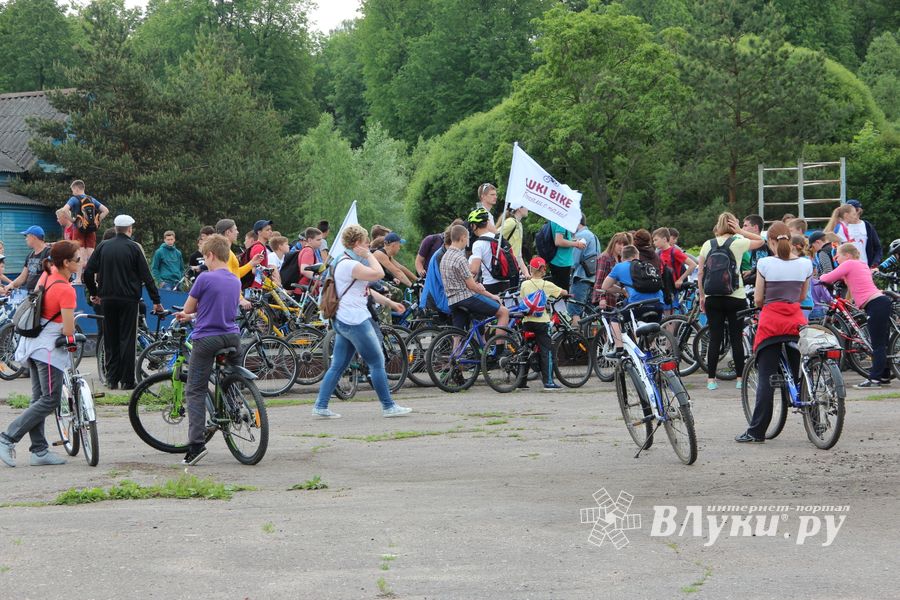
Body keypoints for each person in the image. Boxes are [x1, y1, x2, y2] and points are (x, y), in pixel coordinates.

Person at [312, 225, 411, 419]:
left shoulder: (342, 260)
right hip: (355, 320)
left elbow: (364, 289)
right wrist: (370, 255)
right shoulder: (350, 264)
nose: (368, 245)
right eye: (366, 242)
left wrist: (389, 302)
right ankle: (388, 406)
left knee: (338, 365)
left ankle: (321, 406)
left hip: (343, 320)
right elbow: (379, 274)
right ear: (357, 243)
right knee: (377, 361)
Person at [0, 241, 81, 467]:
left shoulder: (48, 273)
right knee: (50, 399)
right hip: (48, 350)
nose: (80, 263)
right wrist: (74, 335)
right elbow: (67, 330)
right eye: (77, 259)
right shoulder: (66, 289)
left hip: (32, 343)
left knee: (39, 399)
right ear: (66, 263)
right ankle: (7, 438)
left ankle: (39, 450)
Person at [735, 221, 812, 443]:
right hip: (796, 322)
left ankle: (757, 431)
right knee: (802, 374)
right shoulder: (805, 264)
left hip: (771, 324)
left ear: (770, 242)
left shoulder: (765, 263)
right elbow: (801, 296)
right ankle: (814, 415)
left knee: (767, 378)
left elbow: (759, 299)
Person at [172, 234, 242, 465]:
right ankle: (235, 407)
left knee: (195, 390)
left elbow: (189, 306)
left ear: (210, 255)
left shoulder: (204, 278)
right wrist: (193, 315)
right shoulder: (235, 280)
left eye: (205, 257)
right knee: (232, 376)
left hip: (207, 338)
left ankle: (196, 445)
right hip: (232, 335)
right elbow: (217, 307)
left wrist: (187, 314)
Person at [83, 215, 163, 390]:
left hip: (107, 299)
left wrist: (95, 293)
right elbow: (147, 277)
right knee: (128, 339)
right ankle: (127, 380)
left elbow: (87, 272)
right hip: (129, 300)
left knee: (110, 338)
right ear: (130, 229)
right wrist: (156, 301)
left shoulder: (103, 246)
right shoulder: (133, 248)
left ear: (115, 227)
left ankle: (112, 379)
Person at [697, 212, 765, 390]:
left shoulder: (707, 244)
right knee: (736, 338)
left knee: (715, 338)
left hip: (713, 297)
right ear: (732, 225)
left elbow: (701, 272)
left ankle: (711, 380)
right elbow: (761, 241)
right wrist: (741, 231)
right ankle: (740, 378)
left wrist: (702, 295)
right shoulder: (739, 242)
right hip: (735, 296)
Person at [819, 243, 893, 388]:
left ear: (847, 255)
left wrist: (819, 277)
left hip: (875, 304)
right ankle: (884, 376)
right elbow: (857, 282)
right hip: (880, 302)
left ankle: (875, 379)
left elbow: (827, 278)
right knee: (882, 343)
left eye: (838, 255)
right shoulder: (861, 264)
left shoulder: (849, 263)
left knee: (876, 344)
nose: (836, 259)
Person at [440, 224, 509, 334]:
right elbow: (471, 286)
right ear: (462, 237)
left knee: (457, 334)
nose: (468, 240)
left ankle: (458, 351)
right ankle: (500, 350)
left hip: (452, 300)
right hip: (466, 298)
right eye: (467, 238)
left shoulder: (444, 257)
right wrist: (492, 296)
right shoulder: (460, 258)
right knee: (503, 312)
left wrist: (476, 284)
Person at [599, 244, 664, 355]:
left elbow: (605, 286)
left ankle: (619, 350)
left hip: (638, 304)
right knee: (649, 332)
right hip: (658, 304)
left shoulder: (620, 267)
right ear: (636, 255)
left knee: (614, 318)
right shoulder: (647, 266)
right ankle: (650, 352)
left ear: (622, 257)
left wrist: (622, 291)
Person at [520, 256, 567, 391]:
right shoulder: (547, 285)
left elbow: (523, 298)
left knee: (526, 349)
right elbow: (562, 292)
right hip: (542, 322)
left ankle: (522, 381)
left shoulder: (524, 284)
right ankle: (548, 382)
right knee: (547, 351)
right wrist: (565, 293)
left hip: (527, 321)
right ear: (542, 269)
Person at [60, 180, 109, 277]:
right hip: (91, 229)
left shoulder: (74, 199)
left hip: (78, 229)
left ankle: (78, 279)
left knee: (80, 253)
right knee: (91, 254)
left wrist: (73, 220)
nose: (72, 192)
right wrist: (97, 221)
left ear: (76, 188)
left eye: (72, 190)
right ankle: (94, 280)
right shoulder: (91, 199)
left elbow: (64, 210)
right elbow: (106, 210)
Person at [215, 219, 262, 304]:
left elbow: (235, 273)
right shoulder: (225, 252)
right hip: (229, 298)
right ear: (228, 232)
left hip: (229, 297)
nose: (237, 232)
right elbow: (228, 278)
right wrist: (240, 298)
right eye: (235, 229)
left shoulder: (227, 251)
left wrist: (252, 263)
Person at [0, 226, 52, 297]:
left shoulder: (49, 253)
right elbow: (23, 277)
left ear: (33, 237)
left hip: (43, 295)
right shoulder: (30, 255)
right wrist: (10, 285)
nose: (26, 239)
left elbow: (50, 275)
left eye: (27, 236)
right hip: (31, 295)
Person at [468, 208, 510, 295]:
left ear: (474, 226)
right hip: (506, 282)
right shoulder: (498, 238)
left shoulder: (478, 244)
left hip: (490, 284)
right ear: (487, 223)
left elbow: (474, 270)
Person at [569, 214, 599, 325]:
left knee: (574, 310)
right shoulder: (593, 236)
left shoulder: (580, 236)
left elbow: (574, 261)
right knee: (589, 313)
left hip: (580, 277)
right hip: (592, 279)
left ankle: (576, 339)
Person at [592, 233, 631, 308]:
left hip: (616, 300)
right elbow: (599, 281)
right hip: (605, 300)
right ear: (613, 243)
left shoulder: (621, 260)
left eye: (624, 245)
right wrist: (601, 298)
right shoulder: (605, 257)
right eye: (619, 244)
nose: (622, 247)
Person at [549, 221, 587, 289]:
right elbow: (558, 241)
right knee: (563, 293)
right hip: (561, 262)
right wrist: (577, 244)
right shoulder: (562, 221)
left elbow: (562, 238)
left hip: (558, 260)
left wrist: (574, 241)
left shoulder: (556, 219)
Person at [846, 199, 882, 268]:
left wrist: (874, 264)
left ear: (859, 211)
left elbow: (878, 248)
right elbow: (835, 249)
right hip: (847, 268)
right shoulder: (842, 227)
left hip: (865, 267)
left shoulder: (867, 226)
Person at [499, 205, 530, 280]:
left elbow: (518, 254)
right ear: (519, 208)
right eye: (526, 206)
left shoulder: (519, 224)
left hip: (514, 267)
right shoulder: (511, 222)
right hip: (507, 266)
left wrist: (526, 273)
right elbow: (495, 236)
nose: (528, 208)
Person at [740, 214, 770, 283]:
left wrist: (742, 281)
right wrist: (750, 272)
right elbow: (757, 268)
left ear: (756, 227)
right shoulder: (756, 245)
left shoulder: (761, 246)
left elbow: (762, 272)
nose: (742, 229)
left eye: (745, 226)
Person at [295, 227, 325, 293]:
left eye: (321, 240)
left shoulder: (306, 249)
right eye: (318, 240)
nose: (321, 242)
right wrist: (320, 278)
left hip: (304, 289)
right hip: (304, 290)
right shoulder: (309, 251)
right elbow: (304, 270)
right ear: (310, 240)